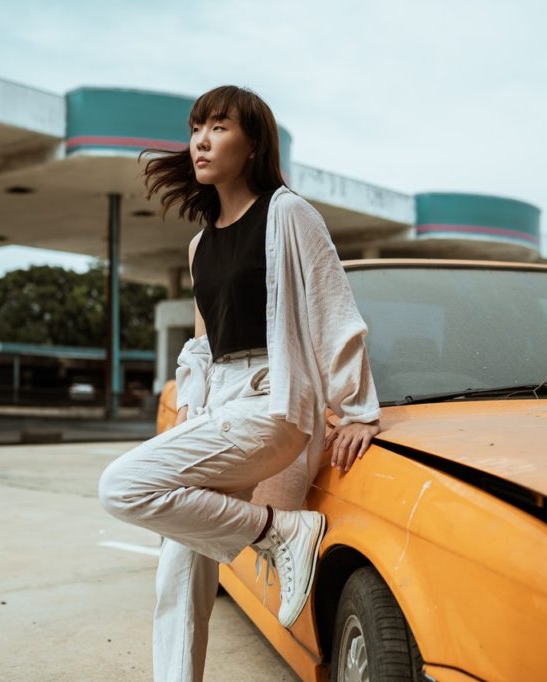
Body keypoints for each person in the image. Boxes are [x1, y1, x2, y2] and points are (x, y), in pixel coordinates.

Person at [98, 85, 381, 682]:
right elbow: (203, 344)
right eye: (196, 127)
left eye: (219, 127)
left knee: (121, 485)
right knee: (178, 565)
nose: (201, 139)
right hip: (217, 409)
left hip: (270, 399)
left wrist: (356, 410)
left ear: (252, 144)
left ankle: (281, 532)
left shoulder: (288, 214)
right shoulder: (200, 244)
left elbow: (334, 309)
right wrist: (192, 411)